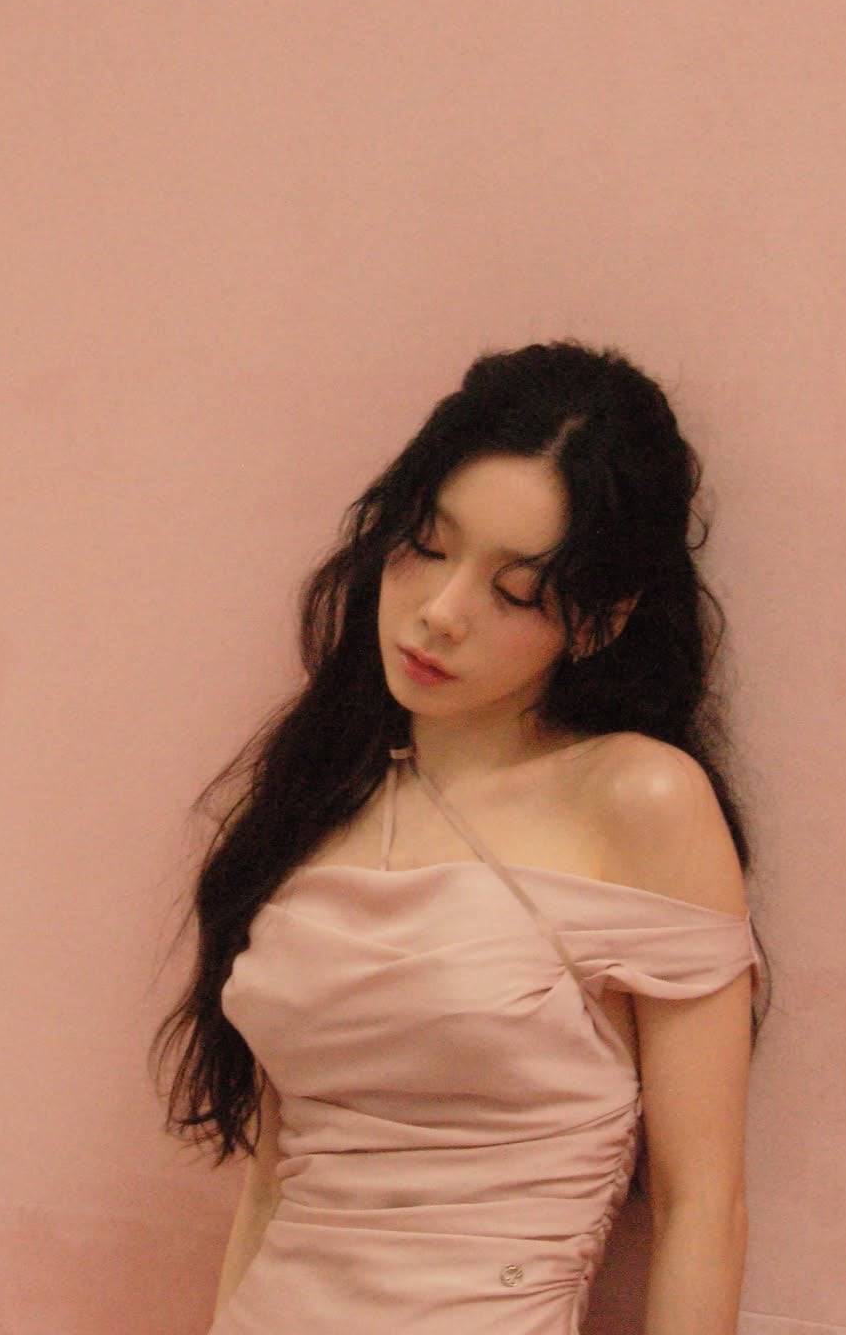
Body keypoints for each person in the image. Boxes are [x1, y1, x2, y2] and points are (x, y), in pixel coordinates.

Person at [153, 340, 768, 1334]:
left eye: (515, 591)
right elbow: (273, 1186)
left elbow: (704, 1205)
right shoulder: (317, 797)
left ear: (600, 622)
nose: (440, 613)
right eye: (428, 546)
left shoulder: (641, 798)